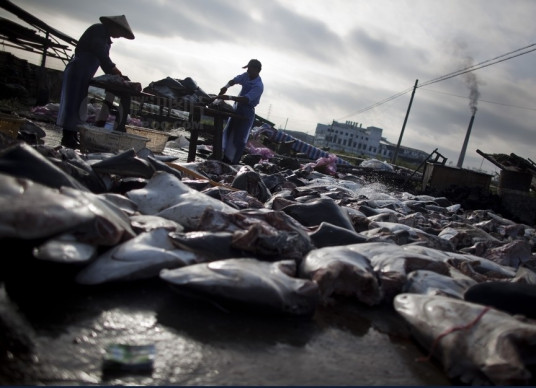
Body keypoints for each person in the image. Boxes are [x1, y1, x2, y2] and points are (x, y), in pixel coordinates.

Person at [56, 15, 135, 148]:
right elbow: (101, 54)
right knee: (72, 104)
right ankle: (67, 137)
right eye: (119, 33)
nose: (118, 36)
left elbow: (104, 63)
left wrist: (115, 75)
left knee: (79, 105)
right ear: (113, 26)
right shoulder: (98, 31)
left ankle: (73, 134)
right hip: (77, 70)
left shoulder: (106, 40)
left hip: (85, 74)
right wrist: (114, 69)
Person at [216, 59, 264, 164]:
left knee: (239, 138)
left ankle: (233, 162)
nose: (247, 70)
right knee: (229, 132)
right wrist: (225, 87)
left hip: (247, 111)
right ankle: (223, 157)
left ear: (257, 70)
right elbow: (234, 80)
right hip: (237, 108)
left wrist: (228, 97)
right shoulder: (246, 76)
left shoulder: (258, 86)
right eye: (247, 68)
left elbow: (247, 99)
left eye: (250, 68)